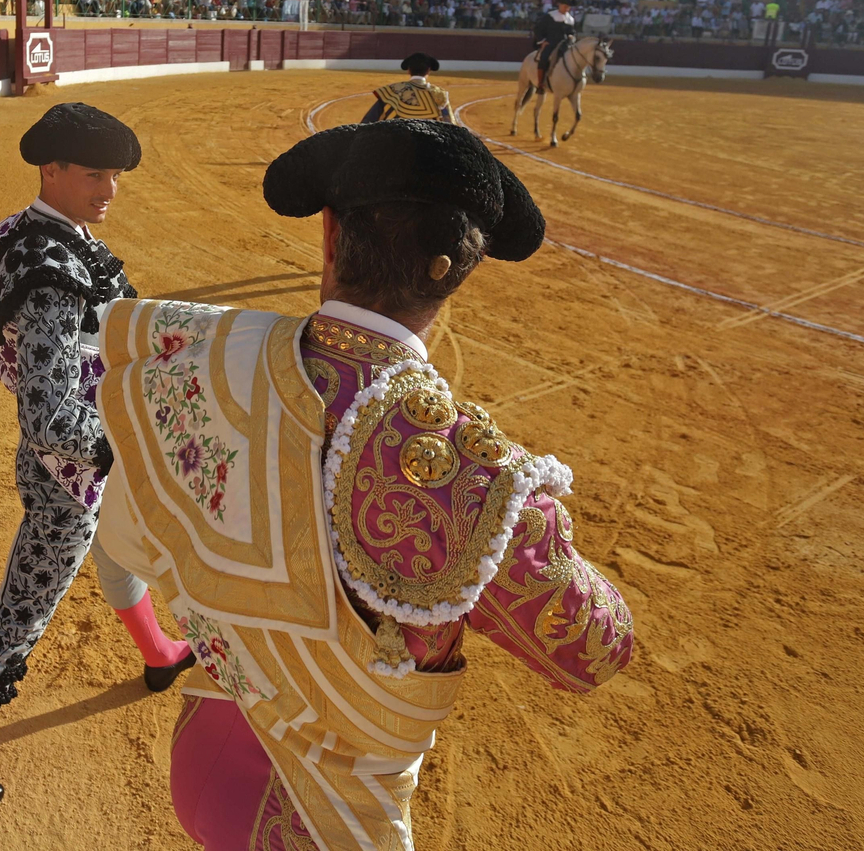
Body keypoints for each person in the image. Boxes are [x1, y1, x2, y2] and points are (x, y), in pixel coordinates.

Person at [93, 119, 635, 850]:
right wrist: (535, 524)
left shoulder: (211, 355)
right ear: (464, 273)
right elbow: (597, 649)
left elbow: (130, 536)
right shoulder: (472, 479)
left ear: (328, 235)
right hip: (318, 813)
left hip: (205, 746)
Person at [0, 103, 195, 821]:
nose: (110, 188)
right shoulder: (57, 272)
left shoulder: (29, 232)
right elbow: (48, 417)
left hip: (86, 458)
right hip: (70, 466)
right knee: (21, 612)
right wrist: (118, 448)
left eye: (116, 175)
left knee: (113, 541)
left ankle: (158, 653)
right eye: (95, 173)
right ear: (52, 170)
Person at [360, 52, 451, 123]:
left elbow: (369, 120)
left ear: (409, 70)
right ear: (428, 71)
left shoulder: (392, 91)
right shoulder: (439, 95)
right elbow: (450, 125)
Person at [531, 0, 577, 87]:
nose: (567, 9)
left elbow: (572, 32)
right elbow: (538, 28)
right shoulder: (550, 16)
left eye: (568, 7)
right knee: (544, 58)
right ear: (559, 5)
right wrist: (542, 41)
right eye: (565, 6)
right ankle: (540, 83)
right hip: (551, 43)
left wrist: (572, 36)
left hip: (566, 44)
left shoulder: (570, 19)